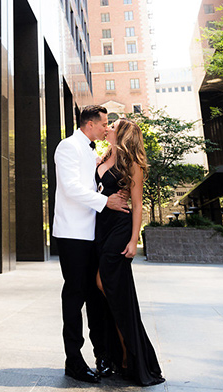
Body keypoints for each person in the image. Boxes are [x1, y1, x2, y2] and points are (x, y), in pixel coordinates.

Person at [52, 105, 130, 384]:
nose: (106, 128)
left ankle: (103, 356)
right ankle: (73, 360)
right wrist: (105, 201)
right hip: (72, 233)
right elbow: (71, 187)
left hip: (92, 234)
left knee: (93, 296)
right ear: (89, 124)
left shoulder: (91, 150)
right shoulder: (68, 146)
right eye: (103, 124)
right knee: (74, 296)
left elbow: (93, 182)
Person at [95, 118, 165, 387]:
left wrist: (134, 239)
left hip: (120, 229)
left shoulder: (131, 163)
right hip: (101, 227)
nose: (108, 127)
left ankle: (130, 353)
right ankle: (121, 352)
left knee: (105, 283)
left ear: (123, 133)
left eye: (112, 125)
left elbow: (137, 205)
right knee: (114, 292)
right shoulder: (102, 157)